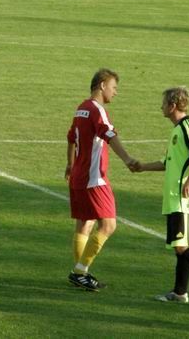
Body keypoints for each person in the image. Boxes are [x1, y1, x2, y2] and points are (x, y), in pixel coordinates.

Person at [132, 86, 189, 305]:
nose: (160, 107)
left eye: (163, 103)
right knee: (180, 245)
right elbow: (167, 163)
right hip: (174, 197)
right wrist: (142, 167)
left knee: (183, 245)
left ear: (173, 105)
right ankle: (180, 292)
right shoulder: (176, 130)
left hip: (186, 198)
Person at [65, 68, 137, 291]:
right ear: (102, 85)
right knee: (108, 225)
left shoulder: (81, 108)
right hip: (94, 178)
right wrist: (127, 159)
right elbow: (110, 135)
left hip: (78, 176)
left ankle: (80, 273)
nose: (115, 92)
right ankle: (80, 272)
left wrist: (69, 164)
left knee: (84, 223)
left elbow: (71, 138)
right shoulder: (97, 110)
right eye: (114, 87)